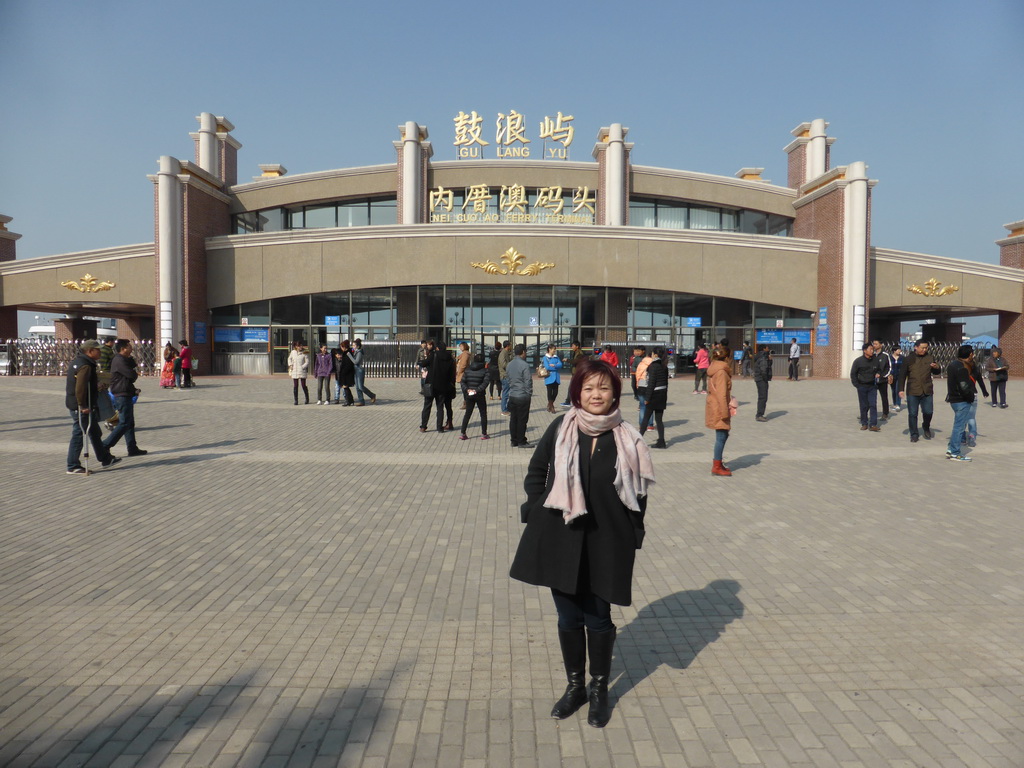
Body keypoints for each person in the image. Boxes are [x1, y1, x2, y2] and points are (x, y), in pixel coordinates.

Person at [509, 358, 654, 728]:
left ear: (614, 394)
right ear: (578, 393)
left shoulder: (627, 437)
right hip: (562, 536)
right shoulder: (562, 427)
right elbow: (537, 471)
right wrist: (534, 507)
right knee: (568, 616)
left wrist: (634, 532)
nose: (596, 395)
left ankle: (599, 688)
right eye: (588, 388)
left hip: (606, 540)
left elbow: (638, 491)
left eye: (603, 388)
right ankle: (575, 687)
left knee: (599, 617)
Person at [65, 340, 119, 474]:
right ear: (90, 351)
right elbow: (81, 387)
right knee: (79, 433)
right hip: (81, 406)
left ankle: (105, 458)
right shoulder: (85, 366)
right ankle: (73, 465)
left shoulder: (79, 362)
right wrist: (82, 405)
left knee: (95, 432)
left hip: (79, 403)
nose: (100, 352)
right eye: (98, 350)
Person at [101, 339, 147, 457]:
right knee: (124, 422)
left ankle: (132, 448)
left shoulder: (123, 360)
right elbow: (131, 376)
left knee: (129, 423)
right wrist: (134, 373)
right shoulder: (119, 360)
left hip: (126, 392)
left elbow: (130, 374)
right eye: (129, 346)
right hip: (121, 394)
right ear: (123, 349)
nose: (131, 348)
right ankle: (105, 445)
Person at [897, 339, 941, 443]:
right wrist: (900, 389)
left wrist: (936, 367)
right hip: (913, 390)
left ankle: (926, 426)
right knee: (913, 413)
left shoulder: (930, 358)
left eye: (926, 348)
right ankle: (914, 434)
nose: (924, 350)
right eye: (922, 348)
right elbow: (902, 375)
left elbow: (937, 372)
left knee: (928, 411)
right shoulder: (909, 359)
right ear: (916, 347)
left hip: (927, 389)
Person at [707, 345, 736, 475]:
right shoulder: (722, 372)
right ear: (727, 357)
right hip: (719, 406)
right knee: (721, 436)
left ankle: (718, 463)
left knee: (722, 435)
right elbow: (722, 394)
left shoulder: (715, 368)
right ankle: (717, 466)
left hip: (715, 404)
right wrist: (725, 413)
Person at [945, 345, 976, 461]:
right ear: (969, 355)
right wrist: (970, 396)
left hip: (954, 399)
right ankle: (955, 452)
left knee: (957, 426)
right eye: (972, 354)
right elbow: (964, 387)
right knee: (959, 427)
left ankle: (950, 448)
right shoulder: (962, 368)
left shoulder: (952, 365)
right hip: (961, 400)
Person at [637, 347, 668, 448]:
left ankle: (638, 440)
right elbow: (666, 383)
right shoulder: (664, 365)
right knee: (659, 420)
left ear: (654, 354)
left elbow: (651, 383)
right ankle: (661, 441)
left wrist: (647, 398)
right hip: (662, 394)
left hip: (654, 394)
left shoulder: (653, 366)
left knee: (646, 418)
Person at [506, 344, 533, 447]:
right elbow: (528, 381)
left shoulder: (509, 364)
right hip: (522, 395)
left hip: (512, 395)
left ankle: (514, 440)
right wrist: (529, 393)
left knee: (513, 419)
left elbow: (508, 379)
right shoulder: (524, 365)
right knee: (522, 420)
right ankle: (521, 441)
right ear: (523, 352)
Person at [426, 341, 456, 432]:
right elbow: (452, 373)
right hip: (446, 385)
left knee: (429, 405)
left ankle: (425, 426)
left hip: (434, 384)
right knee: (444, 406)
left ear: (437, 348)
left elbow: (424, 363)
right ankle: (444, 425)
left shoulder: (434, 356)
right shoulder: (450, 358)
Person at [851, 343, 882, 431]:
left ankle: (873, 425)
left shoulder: (875, 360)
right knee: (864, 405)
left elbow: (879, 369)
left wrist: (878, 373)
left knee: (873, 405)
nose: (872, 351)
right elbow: (853, 374)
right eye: (870, 349)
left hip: (872, 386)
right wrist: (857, 385)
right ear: (865, 351)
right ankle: (864, 423)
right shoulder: (858, 361)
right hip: (862, 386)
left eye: (873, 349)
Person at [962, 349, 989, 448]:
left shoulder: (961, 369)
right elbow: (981, 382)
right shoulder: (976, 369)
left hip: (962, 396)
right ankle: (972, 436)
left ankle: (962, 437)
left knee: (962, 417)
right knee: (971, 417)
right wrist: (985, 392)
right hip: (973, 395)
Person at [459, 352, 490, 440]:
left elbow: (463, 381)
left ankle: (463, 433)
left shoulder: (468, 370)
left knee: (467, 413)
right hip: (479, 394)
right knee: (483, 414)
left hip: (469, 394)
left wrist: (467, 389)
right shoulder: (485, 371)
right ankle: (484, 434)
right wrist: (477, 390)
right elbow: (485, 383)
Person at [349, 339, 376, 405]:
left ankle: (372, 395)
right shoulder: (355, 352)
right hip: (355, 370)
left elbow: (356, 362)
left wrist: (349, 355)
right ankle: (361, 401)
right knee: (357, 387)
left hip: (360, 370)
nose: (353, 346)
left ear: (358, 346)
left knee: (361, 386)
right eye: (352, 345)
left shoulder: (359, 352)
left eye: (354, 345)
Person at [417, 339, 437, 431]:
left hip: (430, 383)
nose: (427, 346)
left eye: (429, 345)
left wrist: (422, 361)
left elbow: (422, 362)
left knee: (427, 405)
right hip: (439, 383)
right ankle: (440, 426)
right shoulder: (438, 356)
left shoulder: (431, 355)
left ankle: (423, 426)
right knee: (440, 406)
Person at [871, 339, 892, 420]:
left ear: (881, 345)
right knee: (871, 397)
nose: (874, 345)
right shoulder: (872, 355)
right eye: (873, 344)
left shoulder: (885, 355)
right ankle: (868, 413)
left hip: (882, 380)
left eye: (876, 344)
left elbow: (889, 368)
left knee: (884, 397)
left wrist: (883, 376)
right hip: (872, 380)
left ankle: (885, 413)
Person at [634, 347, 654, 429]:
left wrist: (637, 385)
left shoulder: (641, 364)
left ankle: (642, 424)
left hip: (641, 384)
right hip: (650, 385)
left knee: (642, 406)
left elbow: (637, 375)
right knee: (650, 406)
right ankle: (650, 424)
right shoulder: (653, 364)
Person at [561, 341, 585, 407]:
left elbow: (575, 361)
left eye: (573, 346)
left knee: (573, 387)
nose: (572, 347)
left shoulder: (580, 353)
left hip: (577, 373)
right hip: (575, 373)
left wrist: (567, 360)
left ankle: (570, 401)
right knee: (573, 387)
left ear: (577, 347)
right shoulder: (575, 352)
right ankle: (570, 401)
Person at [753, 345, 772, 422]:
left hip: (759, 378)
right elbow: (764, 369)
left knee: (762, 396)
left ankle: (760, 414)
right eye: (767, 348)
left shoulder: (760, 356)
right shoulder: (763, 357)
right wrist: (765, 378)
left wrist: (770, 360)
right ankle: (759, 415)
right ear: (764, 349)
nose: (768, 349)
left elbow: (767, 366)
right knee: (763, 397)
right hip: (761, 379)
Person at [542, 344, 563, 413]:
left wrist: (554, 365)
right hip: (549, 377)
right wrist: (556, 367)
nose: (554, 351)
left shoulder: (556, 357)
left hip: (556, 377)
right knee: (549, 392)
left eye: (555, 349)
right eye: (553, 349)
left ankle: (549, 404)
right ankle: (552, 406)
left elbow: (560, 365)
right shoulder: (545, 358)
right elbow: (547, 367)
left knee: (555, 392)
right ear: (549, 349)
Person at [335, 340, 356, 405]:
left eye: (341, 347)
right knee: (346, 387)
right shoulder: (347, 352)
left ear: (344, 347)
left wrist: (343, 372)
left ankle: (349, 401)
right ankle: (350, 401)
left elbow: (349, 364)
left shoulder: (348, 353)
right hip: (345, 373)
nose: (341, 348)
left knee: (345, 386)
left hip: (347, 374)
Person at [498, 340, 514, 415]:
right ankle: (504, 410)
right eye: (510, 345)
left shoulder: (507, 353)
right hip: (504, 376)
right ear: (507, 346)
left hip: (507, 375)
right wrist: (511, 365)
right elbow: (504, 364)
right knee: (505, 393)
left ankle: (506, 408)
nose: (511, 347)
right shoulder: (503, 353)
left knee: (507, 393)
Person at [455, 342, 471, 410]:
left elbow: (463, 364)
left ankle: (467, 403)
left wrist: (459, 371)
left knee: (465, 389)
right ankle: (467, 402)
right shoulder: (464, 354)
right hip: (463, 373)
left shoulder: (465, 354)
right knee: (464, 389)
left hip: (463, 374)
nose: (460, 348)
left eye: (461, 346)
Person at [889, 346, 904, 414]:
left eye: (900, 350)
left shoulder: (902, 358)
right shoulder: (889, 357)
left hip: (900, 376)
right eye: (898, 350)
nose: (899, 351)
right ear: (894, 351)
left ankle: (898, 404)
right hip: (892, 376)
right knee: (893, 390)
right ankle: (894, 403)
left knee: (898, 389)